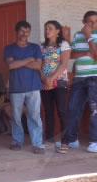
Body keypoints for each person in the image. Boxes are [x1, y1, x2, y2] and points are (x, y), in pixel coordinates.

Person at [4, 21, 45, 154]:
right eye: (22, 31)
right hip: (16, 87)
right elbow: (11, 66)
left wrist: (19, 62)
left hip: (33, 87)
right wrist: (29, 60)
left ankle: (37, 144)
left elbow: (38, 66)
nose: (24, 34)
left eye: (27, 31)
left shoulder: (35, 47)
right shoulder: (9, 48)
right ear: (16, 32)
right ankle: (17, 141)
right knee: (16, 116)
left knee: (34, 115)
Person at [62, 11, 97, 153]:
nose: (93, 24)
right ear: (84, 22)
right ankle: (72, 139)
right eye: (90, 21)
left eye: (96, 21)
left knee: (95, 110)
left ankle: (95, 142)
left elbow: (96, 55)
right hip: (79, 78)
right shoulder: (77, 35)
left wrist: (88, 37)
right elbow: (72, 55)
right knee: (73, 109)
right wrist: (84, 53)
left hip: (95, 77)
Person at [40, 20, 71, 150]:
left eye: (50, 28)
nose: (47, 31)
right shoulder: (41, 46)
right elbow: (39, 65)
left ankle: (65, 142)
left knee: (62, 111)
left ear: (58, 31)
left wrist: (52, 78)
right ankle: (50, 139)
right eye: (46, 28)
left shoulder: (63, 44)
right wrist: (44, 78)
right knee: (48, 112)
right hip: (45, 83)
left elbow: (64, 64)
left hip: (59, 82)